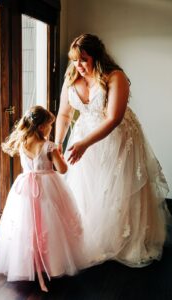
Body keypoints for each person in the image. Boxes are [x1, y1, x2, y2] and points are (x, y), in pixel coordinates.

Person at [55, 33, 170, 267]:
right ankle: (90, 236)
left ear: (97, 57)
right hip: (82, 136)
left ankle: (124, 238)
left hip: (117, 137)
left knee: (119, 186)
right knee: (87, 186)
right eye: (75, 59)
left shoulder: (115, 77)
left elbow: (114, 118)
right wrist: (58, 142)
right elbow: (65, 115)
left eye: (84, 60)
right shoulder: (71, 77)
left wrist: (86, 143)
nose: (78, 65)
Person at [0, 105, 90, 292]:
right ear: (42, 127)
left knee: (26, 225)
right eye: (50, 125)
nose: (51, 129)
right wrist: (58, 155)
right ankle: (52, 263)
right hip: (48, 187)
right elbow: (63, 169)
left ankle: (27, 263)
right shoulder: (48, 146)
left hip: (25, 187)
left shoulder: (22, 144)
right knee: (51, 223)